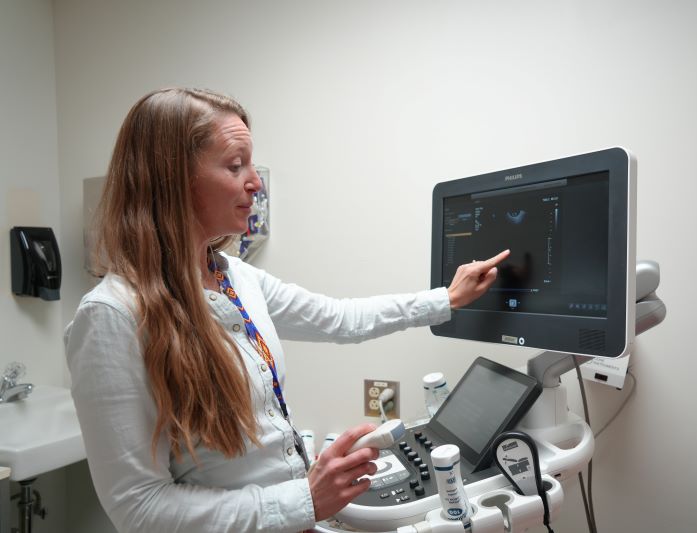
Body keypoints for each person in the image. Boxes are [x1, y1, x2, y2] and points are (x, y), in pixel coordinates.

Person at [64, 87, 509, 533]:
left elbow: (339, 319)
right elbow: (138, 508)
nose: (255, 182)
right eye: (235, 165)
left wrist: (445, 299)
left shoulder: (235, 276)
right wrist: (302, 500)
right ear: (172, 179)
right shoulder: (113, 316)